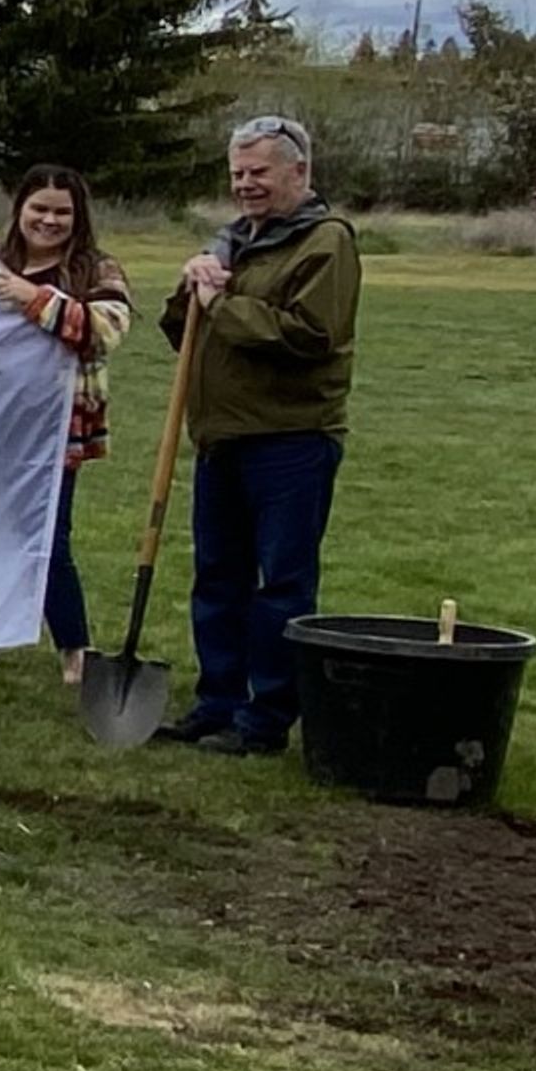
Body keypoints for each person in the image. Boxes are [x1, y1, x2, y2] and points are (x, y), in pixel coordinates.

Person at [159, 116, 363, 757]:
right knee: (217, 577)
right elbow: (180, 331)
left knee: (281, 585)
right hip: (221, 438)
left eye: (259, 173)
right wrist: (192, 284)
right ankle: (216, 702)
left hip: (291, 439)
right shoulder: (233, 244)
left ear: (298, 173)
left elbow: (309, 335)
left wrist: (224, 305)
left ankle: (266, 718)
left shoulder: (326, 243)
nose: (246, 186)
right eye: (238, 175)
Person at [0, 165, 132, 678]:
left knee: (49, 537)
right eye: (39, 208)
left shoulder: (96, 270)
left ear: (78, 217)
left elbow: (105, 330)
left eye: (61, 212)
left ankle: (75, 648)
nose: (49, 220)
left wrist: (34, 300)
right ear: (19, 209)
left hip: (56, 427)